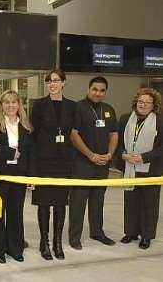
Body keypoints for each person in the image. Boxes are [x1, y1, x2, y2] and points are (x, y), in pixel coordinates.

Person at [30, 69, 76, 260]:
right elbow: (33, 135)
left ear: (64, 82)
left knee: (59, 204)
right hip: (43, 161)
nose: (53, 84)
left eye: (56, 80)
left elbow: (74, 134)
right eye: (49, 81)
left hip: (63, 162)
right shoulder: (39, 105)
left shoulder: (72, 106)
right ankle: (44, 242)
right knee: (44, 203)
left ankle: (57, 242)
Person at [69, 76, 118, 250]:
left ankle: (97, 232)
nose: (98, 93)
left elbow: (113, 134)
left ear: (105, 92)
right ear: (88, 89)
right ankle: (74, 237)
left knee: (98, 200)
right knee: (78, 202)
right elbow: (73, 134)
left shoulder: (109, 110)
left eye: (102, 90)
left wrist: (110, 154)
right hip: (82, 163)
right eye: (95, 89)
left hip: (102, 164)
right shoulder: (78, 107)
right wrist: (90, 155)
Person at [0, 90, 34, 264]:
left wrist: (31, 177)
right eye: (6, 102)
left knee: (16, 212)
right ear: (1, 105)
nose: (11, 105)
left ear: (19, 105)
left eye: (14, 102)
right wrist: (10, 153)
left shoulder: (27, 126)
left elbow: (29, 154)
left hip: (19, 176)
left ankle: (15, 248)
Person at [116, 88, 163, 249]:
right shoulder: (124, 119)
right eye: (140, 101)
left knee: (149, 204)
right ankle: (130, 232)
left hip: (152, 169)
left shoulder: (160, 120)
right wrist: (123, 154)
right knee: (131, 202)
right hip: (129, 167)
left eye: (147, 102)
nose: (143, 105)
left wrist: (144, 157)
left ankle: (147, 236)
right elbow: (117, 142)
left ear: (154, 105)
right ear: (136, 102)